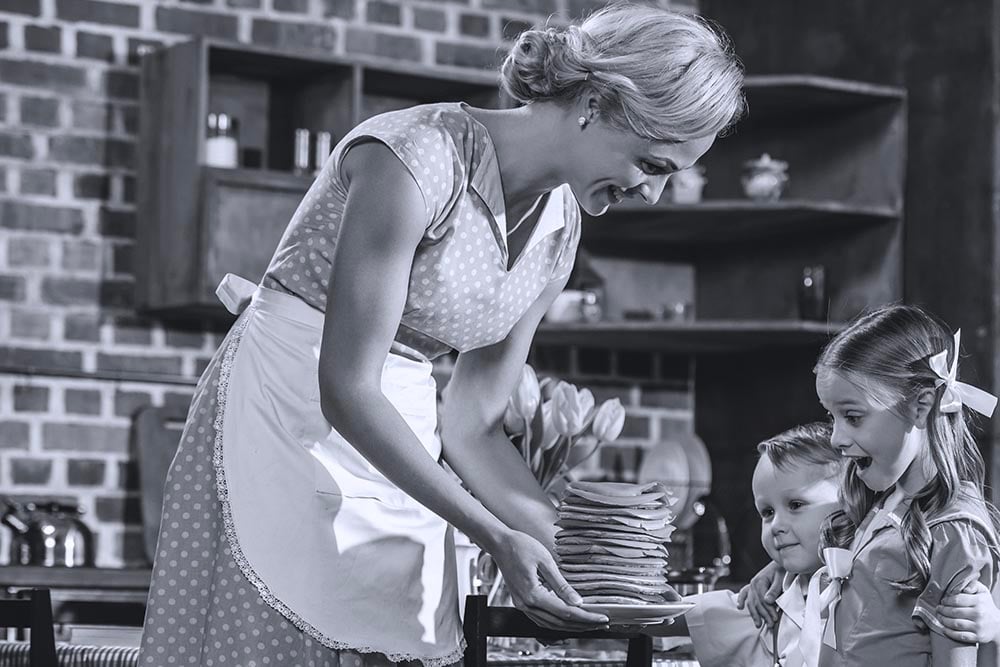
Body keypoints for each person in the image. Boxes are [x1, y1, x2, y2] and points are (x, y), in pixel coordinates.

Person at [137, 3, 746, 666]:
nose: (652, 193)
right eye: (653, 165)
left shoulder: (559, 232)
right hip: (286, 409)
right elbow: (346, 386)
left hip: (401, 432)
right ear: (596, 103)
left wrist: (587, 559)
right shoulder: (416, 156)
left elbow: (473, 424)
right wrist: (490, 531)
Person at [739, 304, 1000, 666]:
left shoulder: (950, 533)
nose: (835, 438)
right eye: (832, 417)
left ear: (920, 407)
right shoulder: (880, 505)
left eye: (853, 417)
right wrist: (779, 569)